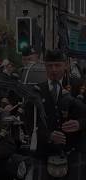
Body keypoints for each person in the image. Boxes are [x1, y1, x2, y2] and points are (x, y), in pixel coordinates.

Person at [24, 50, 86, 180]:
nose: (53, 69)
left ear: (65, 66)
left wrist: (80, 124)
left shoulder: (79, 87)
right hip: (45, 152)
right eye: (50, 65)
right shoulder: (36, 91)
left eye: (58, 65)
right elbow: (29, 123)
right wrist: (49, 135)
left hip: (73, 151)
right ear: (45, 67)